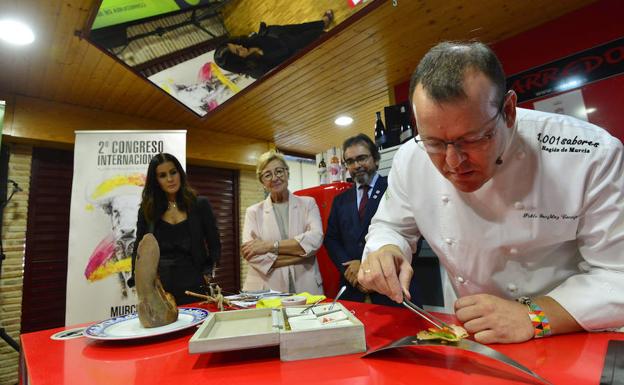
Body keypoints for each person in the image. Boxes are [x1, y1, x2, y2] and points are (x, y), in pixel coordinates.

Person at [358, 41, 624, 344]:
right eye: (433, 142)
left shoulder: (589, 153)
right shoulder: (410, 158)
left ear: (509, 112)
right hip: (473, 335)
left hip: (570, 332)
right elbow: (391, 226)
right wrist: (387, 249)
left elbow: (618, 274)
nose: (453, 162)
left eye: (472, 139)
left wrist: (534, 315)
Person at [324, 133, 422, 306]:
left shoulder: (395, 188)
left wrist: (365, 265)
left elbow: (411, 233)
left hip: (393, 288)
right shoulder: (340, 200)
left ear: (376, 159)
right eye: (350, 161)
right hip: (352, 288)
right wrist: (349, 268)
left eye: (362, 158)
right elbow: (331, 239)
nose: (357, 165)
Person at [129, 153, 221, 305]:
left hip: (194, 281)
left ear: (180, 173)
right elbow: (139, 247)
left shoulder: (200, 204)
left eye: (173, 172)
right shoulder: (148, 210)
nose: (170, 179)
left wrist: (207, 272)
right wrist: (138, 280)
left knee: (197, 326)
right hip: (159, 285)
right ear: (156, 180)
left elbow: (214, 242)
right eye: (162, 175)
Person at [241, 150, 324, 294]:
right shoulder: (253, 212)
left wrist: (268, 246)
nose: (275, 178)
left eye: (279, 171)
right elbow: (252, 255)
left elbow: (315, 239)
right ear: (262, 182)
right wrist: (301, 255)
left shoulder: (308, 204)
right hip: (267, 288)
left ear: (287, 173)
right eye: (268, 175)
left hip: (306, 284)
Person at [214, 10, 334, 79]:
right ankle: (326, 32)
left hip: (280, 35)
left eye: (235, 45)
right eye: (237, 51)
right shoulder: (257, 70)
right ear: (237, 62)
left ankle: (323, 23)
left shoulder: (244, 43)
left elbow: (260, 37)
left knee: (302, 27)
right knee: (317, 36)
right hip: (292, 49)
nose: (240, 46)